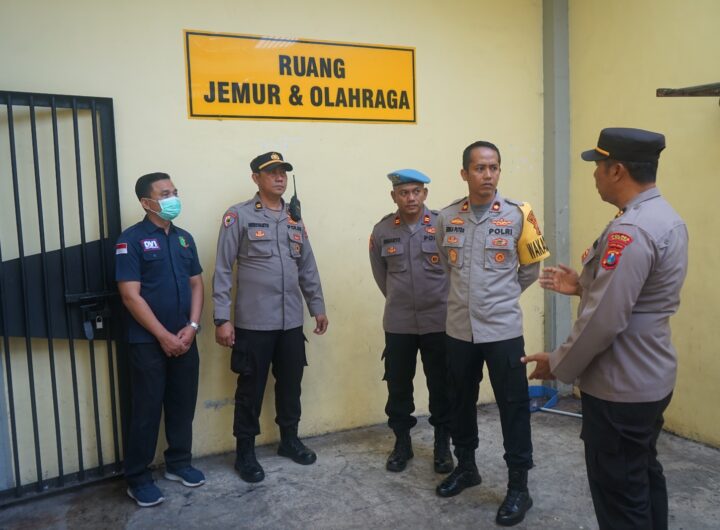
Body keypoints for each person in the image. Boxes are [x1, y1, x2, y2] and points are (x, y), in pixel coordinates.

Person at [523, 127, 688, 530]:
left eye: (598, 166)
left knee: (621, 498)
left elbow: (605, 320)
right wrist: (583, 286)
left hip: (620, 385)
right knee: (642, 476)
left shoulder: (630, 230)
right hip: (649, 375)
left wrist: (557, 362)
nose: (595, 174)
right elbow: (637, 298)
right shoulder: (664, 217)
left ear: (617, 170)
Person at [435, 141, 550, 527]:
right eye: (480, 168)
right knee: (459, 401)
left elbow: (530, 270)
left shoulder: (520, 214)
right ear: (464, 173)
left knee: (513, 406)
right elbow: (448, 266)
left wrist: (497, 297)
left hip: (502, 330)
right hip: (458, 330)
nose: (488, 175)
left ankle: (519, 486)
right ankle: (467, 467)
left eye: (494, 167)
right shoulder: (447, 217)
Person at [213, 151, 328, 484]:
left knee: (291, 385)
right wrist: (221, 318)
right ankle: (245, 453)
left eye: (283, 172)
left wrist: (317, 307)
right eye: (271, 172)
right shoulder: (239, 216)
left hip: (291, 322)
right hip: (254, 323)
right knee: (250, 390)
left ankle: (289, 440)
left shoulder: (294, 219)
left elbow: (307, 266)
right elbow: (222, 268)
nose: (279, 177)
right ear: (256, 178)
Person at [116, 172, 205, 507]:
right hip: (148, 342)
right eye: (165, 194)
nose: (173, 198)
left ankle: (179, 463)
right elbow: (130, 296)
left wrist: (192, 326)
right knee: (147, 409)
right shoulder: (131, 241)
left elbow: (197, 283)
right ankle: (138, 478)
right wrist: (163, 336)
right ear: (146, 202)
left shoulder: (184, 239)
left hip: (185, 338)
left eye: (175, 191)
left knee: (182, 404)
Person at [369, 169, 453, 474]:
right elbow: (381, 275)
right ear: (394, 197)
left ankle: (442, 445)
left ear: (425, 194)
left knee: (441, 386)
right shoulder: (382, 230)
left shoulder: (443, 225)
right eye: (404, 193)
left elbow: (455, 270)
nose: (411, 198)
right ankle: (402, 443)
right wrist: (400, 299)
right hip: (399, 323)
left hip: (439, 321)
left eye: (416, 191)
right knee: (398, 386)